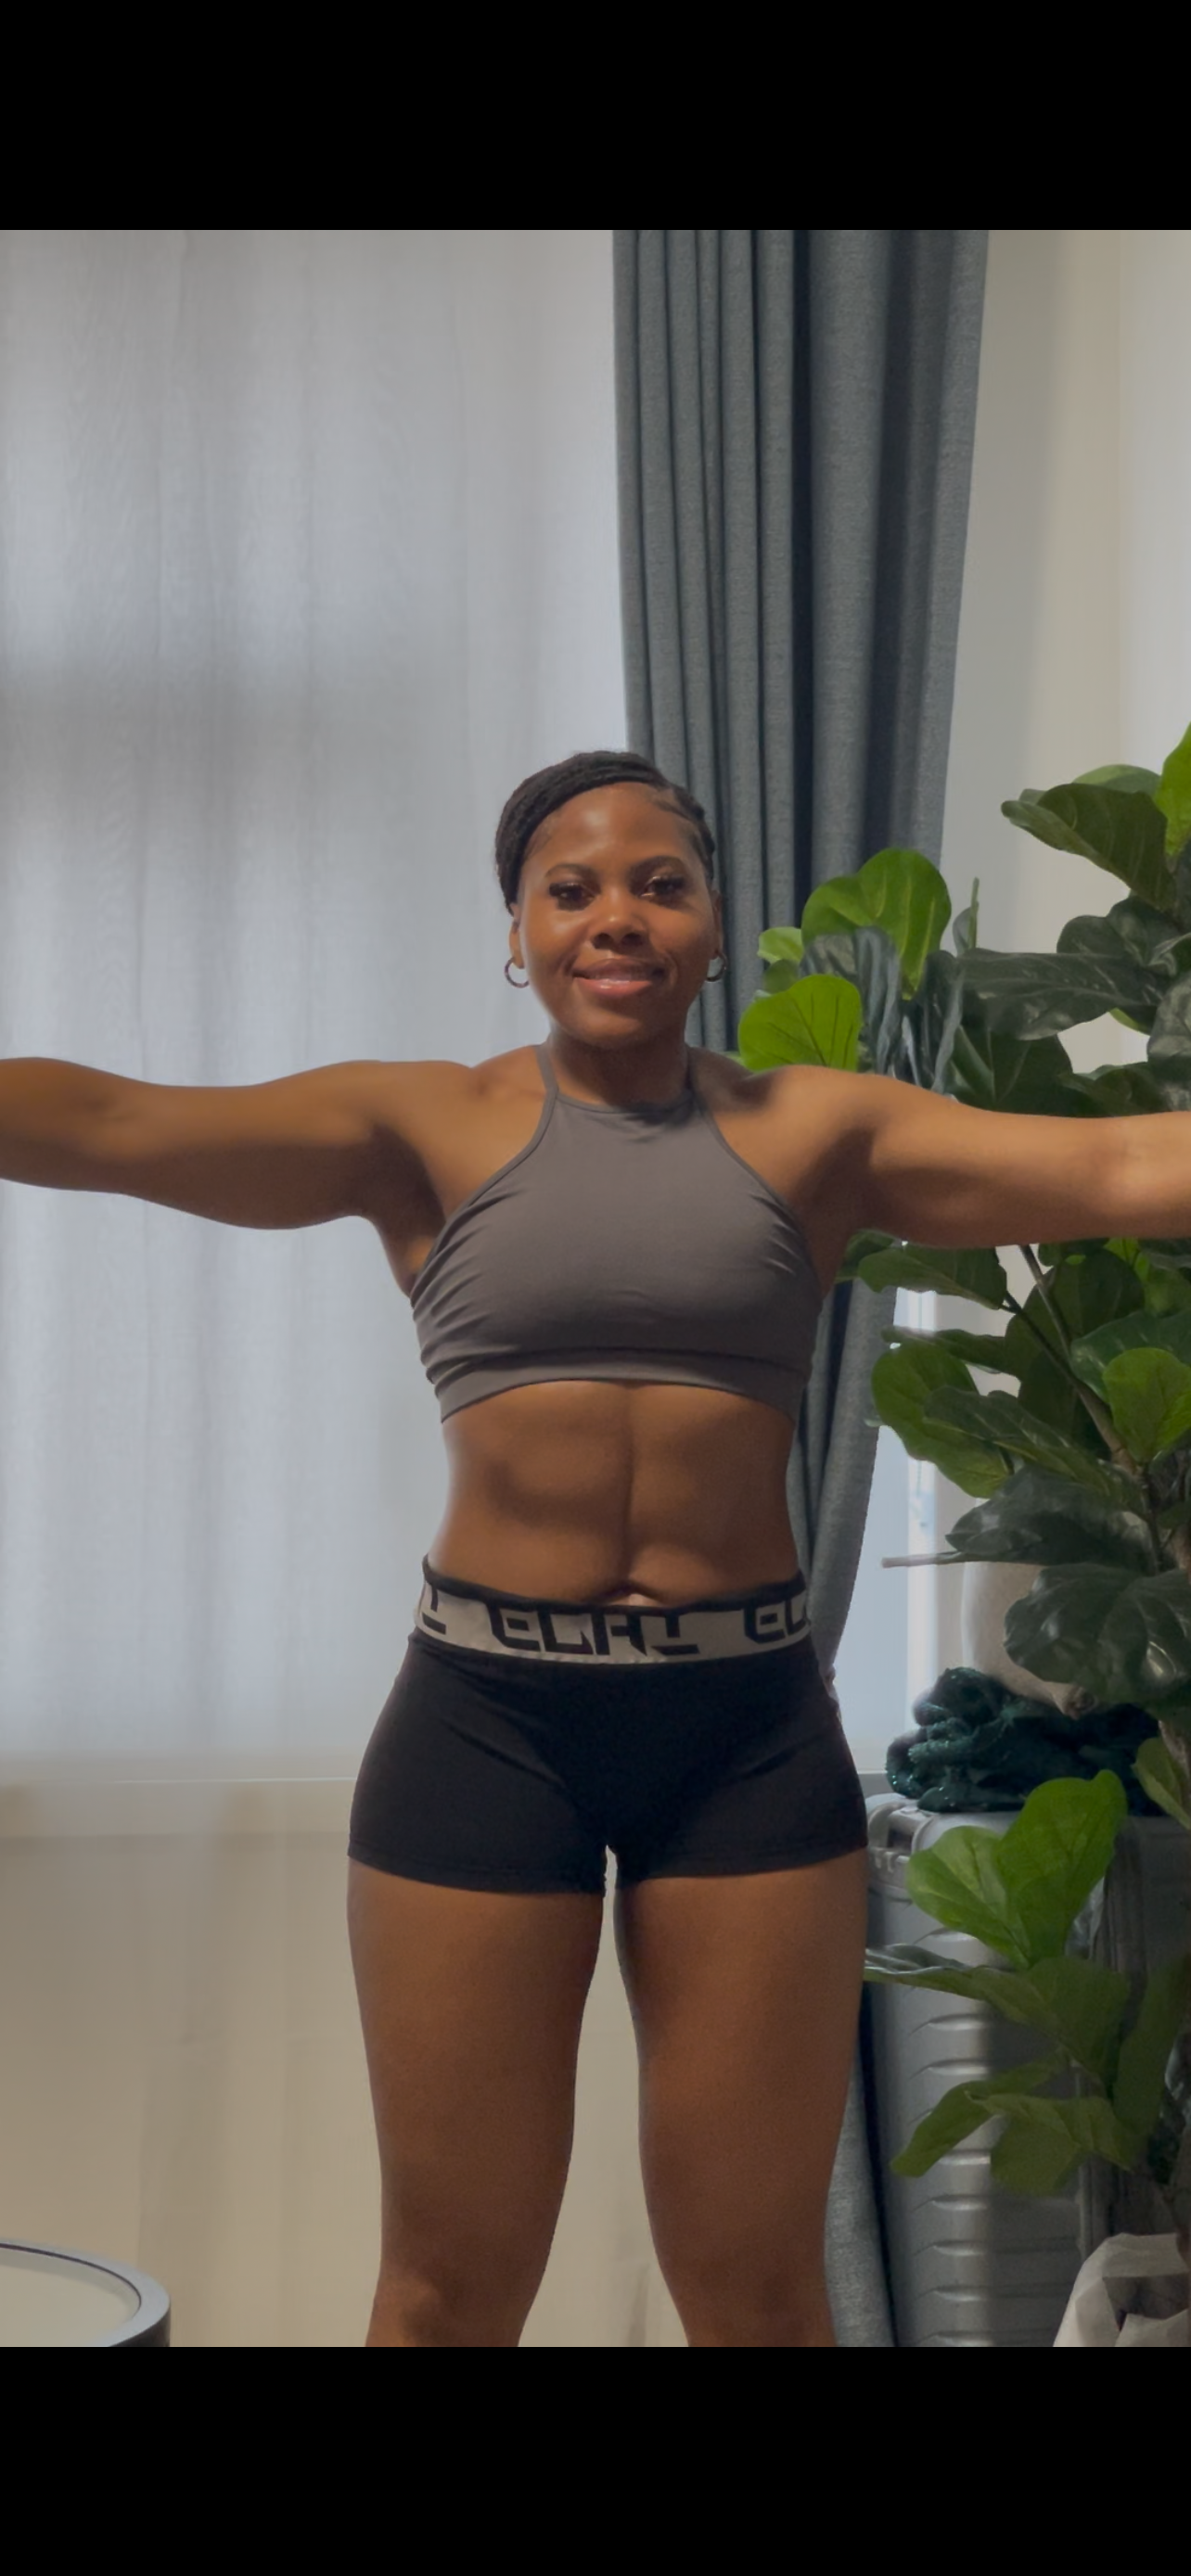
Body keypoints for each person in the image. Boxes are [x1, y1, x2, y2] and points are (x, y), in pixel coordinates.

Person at [2, 747, 1185, 2348]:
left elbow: (1119, 1166)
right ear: (519, 930)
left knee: (756, 2289)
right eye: (572, 889)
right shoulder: (422, 1124)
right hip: (486, 1723)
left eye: (658, 884)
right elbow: (111, 1118)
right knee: (446, 2288)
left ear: (712, 923)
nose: (616, 915)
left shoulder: (819, 1131)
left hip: (743, 1733)